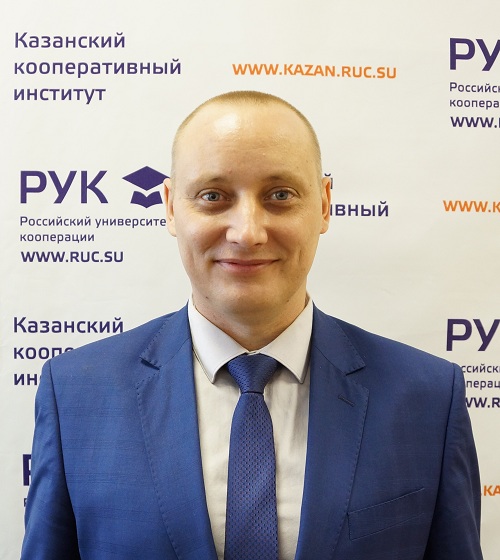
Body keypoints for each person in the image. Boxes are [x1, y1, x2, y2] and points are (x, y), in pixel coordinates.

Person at [22, 91, 483, 560]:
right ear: (170, 207)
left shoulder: (428, 397)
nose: (247, 232)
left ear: (324, 205)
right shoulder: (76, 394)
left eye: (280, 195)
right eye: (213, 196)